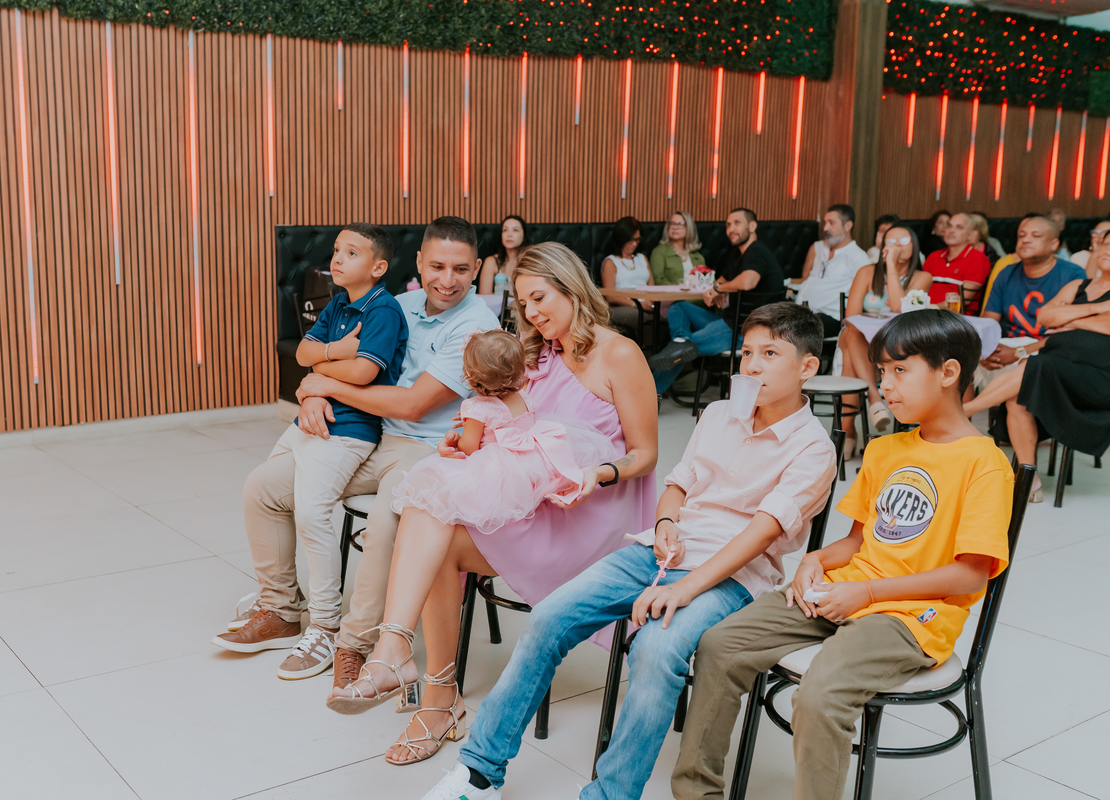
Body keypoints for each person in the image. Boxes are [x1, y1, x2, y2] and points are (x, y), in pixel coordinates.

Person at [418, 303, 837, 800]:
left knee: (656, 649)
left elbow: (761, 536)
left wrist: (680, 590)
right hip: (663, 552)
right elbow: (679, 485)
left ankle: (611, 794)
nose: (752, 364)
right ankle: (480, 773)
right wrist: (664, 522)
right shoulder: (722, 413)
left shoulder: (814, 448)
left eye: (770, 353)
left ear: (807, 367)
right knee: (550, 616)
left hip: (734, 577)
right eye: (747, 352)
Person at [326, 242, 659, 768]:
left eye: (540, 298)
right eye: (523, 304)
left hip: (589, 516)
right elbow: (514, 432)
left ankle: (422, 685)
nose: (532, 313)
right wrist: (464, 440)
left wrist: (599, 473)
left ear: (571, 286)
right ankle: (414, 671)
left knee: (435, 523)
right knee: (432, 508)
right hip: (531, 508)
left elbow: (645, 454)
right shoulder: (536, 358)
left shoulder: (619, 354)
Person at [672, 309, 1014, 800]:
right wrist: (816, 561)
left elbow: (968, 577)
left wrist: (867, 592)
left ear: (948, 372)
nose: (885, 386)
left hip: (912, 616)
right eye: (881, 373)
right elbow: (857, 542)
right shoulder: (885, 449)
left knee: (820, 695)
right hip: (844, 590)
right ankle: (695, 793)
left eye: (900, 371)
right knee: (721, 644)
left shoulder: (984, 462)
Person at [223, 217, 498, 684]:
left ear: (475, 270)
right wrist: (312, 393)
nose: (446, 280)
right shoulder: (398, 304)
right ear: (417, 263)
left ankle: (353, 640)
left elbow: (413, 405)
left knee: (389, 516)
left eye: (460, 269)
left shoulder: (476, 325)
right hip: (368, 434)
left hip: (428, 448)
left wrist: (320, 382)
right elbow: (331, 358)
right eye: (436, 266)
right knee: (263, 488)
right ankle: (282, 608)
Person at [211, 223, 409, 675]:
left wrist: (322, 370)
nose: (337, 258)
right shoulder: (340, 302)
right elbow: (302, 353)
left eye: (351, 253)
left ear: (378, 267)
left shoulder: (384, 310)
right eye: (336, 250)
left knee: (311, 511)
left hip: (349, 429)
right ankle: (280, 608)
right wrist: (334, 352)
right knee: (259, 489)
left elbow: (363, 374)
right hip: (314, 417)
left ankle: (324, 623)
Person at [391, 329, 618, 533]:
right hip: (531, 459)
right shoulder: (524, 396)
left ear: (470, 376)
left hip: (498, 468)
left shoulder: (476, 407)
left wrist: (455, 439)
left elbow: (469, 449)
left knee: (434, 480)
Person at [964, 246, 1110, 500]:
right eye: (1106, 244)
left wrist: (1069, 321)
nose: (1108, 249)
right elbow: (1045, 316)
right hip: (1059, 368)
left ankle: (965, 412)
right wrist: (1094, 310)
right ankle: (1029, 479)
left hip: (1098, 380)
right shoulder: (1078, 286)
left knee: (1035, 366)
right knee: (1018, 396)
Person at [648, 209, 785, 394]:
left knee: (679, 352)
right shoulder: (738, 254)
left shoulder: (757, 251)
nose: (731, 229)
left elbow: (747, 281)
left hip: (746, 331)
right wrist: (712, 291)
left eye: (737, 223)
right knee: (679, 307)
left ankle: (648, 397)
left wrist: (719, 289)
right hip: (730, 322)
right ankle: (681, 338)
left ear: (752, 226)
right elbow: (722, 279)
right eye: (728, 225)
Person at [837, 226, 932, 447]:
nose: (897, 245)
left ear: (914, 245)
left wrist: (890, 266)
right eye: (891, 241)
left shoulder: (922, 277)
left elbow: (901, 308)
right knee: (852, 333)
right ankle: (874, 397)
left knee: (851, 360)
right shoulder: (866, 272)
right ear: (882, 247)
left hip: (897, 340)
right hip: (858, 335)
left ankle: (847, 435)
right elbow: (850, 316)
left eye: (903, 240)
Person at [974, 215, 1084, 392]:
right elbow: (989, 321)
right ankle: (962, 418)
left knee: (1026, 371)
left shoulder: (1073, 275)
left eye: (1036, 236)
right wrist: (987, 350)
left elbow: (1072, 333)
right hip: (1008, 346)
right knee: (960, 361)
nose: (1026, 240)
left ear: (1054, 244)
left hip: (1051, 349)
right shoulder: (1006, 273)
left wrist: (1019, 352)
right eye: (1022, 235)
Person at [797, 204, 871, 341]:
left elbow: (866, 294)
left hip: (833, 318)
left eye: (831, 223)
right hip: (805, 312)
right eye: (825, 223)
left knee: (795, 329)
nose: (825, 228)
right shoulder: (822, 251)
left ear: (848, 226)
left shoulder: (858, 257)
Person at [923, 212, 990, 314]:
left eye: (959, 227)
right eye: (949, 226)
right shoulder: (933, 257)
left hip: (957, 320)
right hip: (926, 316)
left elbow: (964, 298)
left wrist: (932, 307)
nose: (952, 231)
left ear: (970, 234)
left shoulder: (978, 259)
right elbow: (921, 290)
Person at [601, 215, 655, 335]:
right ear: (622, 239)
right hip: (623, 306)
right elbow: (610, 296)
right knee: (644, 318)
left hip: (647, 304)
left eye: (637, 240)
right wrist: (637, 304)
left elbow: (652, 287)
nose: (634, 244)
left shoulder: (642, 258)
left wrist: (650, 302)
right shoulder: (611, 262)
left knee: (667, 315)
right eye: (631, 240)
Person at [478, 215, 530, 295]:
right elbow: (485, 296)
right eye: (505, 230)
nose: (509, 234)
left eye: (515, 230)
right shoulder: (491, 261)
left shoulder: (531, 260)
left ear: (524, 236)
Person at [650, 211, 705, 286]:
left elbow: (705, 280)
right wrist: (682, 289)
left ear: (689, 227)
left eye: (680, 224)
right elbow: (658, 281)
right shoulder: (659, 252)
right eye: (672, 223)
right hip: (672, 296)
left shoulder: (697, 256)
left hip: (697, 297)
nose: (675, 227)